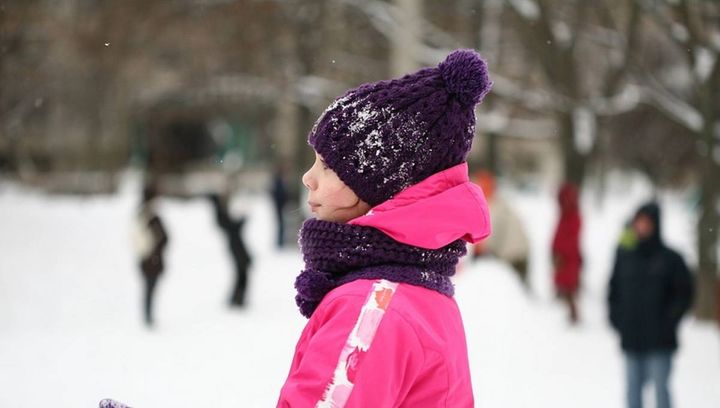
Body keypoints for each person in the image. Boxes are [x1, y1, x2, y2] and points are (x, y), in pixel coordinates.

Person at [277, 49, 492, 407]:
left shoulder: (373, 307)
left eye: (328, 166)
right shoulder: (417, 287)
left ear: (382, 187)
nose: (308, 178)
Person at [608, 202, 694, 408]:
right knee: (632, 391)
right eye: (639, 222)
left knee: (660, 390)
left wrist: (669, 320)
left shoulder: (671, 259)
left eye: (646, 223)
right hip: (632, 338)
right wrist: (617, 319)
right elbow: (613, 290)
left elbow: (684, 294)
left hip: (660, 341)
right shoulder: (625, 255)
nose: (642, 227)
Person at [472, 170, 530, 291]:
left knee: (514, 293)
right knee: (519, 292)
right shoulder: (498, 203)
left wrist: (478, 251)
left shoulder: (494, 206)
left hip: (515, 255)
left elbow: (490, 233)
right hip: (520, 251)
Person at [133, 183, 169, 327]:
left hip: (149, 258)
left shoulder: (143, 214)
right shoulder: (149, 216)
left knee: (149, 288)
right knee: (149, 288)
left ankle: (148, 315)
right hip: (150, 259)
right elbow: (160, 238)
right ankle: (148, 316)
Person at [209, 193, 252, 307]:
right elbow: (233, 227)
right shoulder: (221, 215)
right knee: (241, 273)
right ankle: (238, 298)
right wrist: (242, 220)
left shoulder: (221, 214)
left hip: (236, 246)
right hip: (236, 246)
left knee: (241, 273)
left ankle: (237, 298)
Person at [551, 182, 582, 324]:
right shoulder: (565, 214)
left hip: (568, 258)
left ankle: (574, 316)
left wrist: (561, 253)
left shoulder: (574, 216)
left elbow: (571, 239)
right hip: (562, 257)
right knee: (564, 284)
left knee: (569, 287)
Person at [270, 164, 289, 248]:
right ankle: (280, 242)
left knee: (281, 223)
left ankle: (280, 241)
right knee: (281, 223)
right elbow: (278, 194)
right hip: (279, 205)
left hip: (280, 205)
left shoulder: (277, 181)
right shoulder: (278, 181)